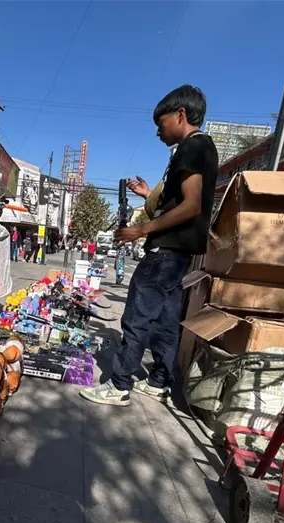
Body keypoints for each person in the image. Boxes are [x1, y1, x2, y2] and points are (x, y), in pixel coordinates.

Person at [80, 85, 218, 406]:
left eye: (161, 123)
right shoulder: (202, 148)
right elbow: (180, 200)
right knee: (166, 321)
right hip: (178, 253)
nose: (158, 131)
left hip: (165, 251)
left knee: (137, 316)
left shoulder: (192, 148)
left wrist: (141, 229)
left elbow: (191, 205)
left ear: (181, 115)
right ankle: (159, 380)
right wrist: (149, 197)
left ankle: (119, 384)